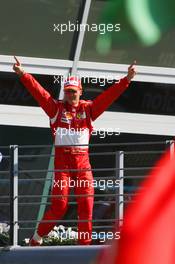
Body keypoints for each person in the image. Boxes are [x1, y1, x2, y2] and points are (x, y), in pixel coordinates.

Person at [13, 56, 136, 246]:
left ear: (80, 91)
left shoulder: (89, 109)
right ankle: (36, 239)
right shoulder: (55, 109)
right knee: (59, 206)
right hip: (62, 165)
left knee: (86, 206)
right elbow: (40, 93)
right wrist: (23, 74)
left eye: (74, 92)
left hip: (83, 165)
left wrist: (126, 80)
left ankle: (83, 249)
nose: (71, 95)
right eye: (68, 92)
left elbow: (108, 96)